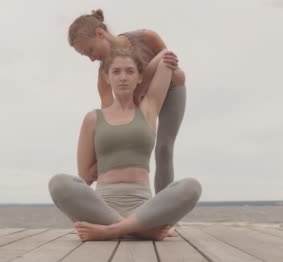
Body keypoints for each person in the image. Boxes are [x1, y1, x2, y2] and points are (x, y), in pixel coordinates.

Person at [48, 47, 201, 241]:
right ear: (107, 77)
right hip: (102, 207)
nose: (123, 77)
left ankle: (112, 230)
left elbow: (164, 60)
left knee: (192, 187)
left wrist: (170, 61)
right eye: (116, 71)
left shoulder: (148, 109)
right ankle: (139, 230)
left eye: (130, 71)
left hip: (145, 208)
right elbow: (84, 177)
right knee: (58, 183)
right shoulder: (93, 118)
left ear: (139, 77)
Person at [67, 9, 186, 194]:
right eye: (86, 56)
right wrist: (97, 165)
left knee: (163, 147)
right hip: (140, 101)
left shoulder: (147, 37)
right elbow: (110, 122)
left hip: (170, 90)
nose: (91, 59)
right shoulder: (104, 76)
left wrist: (162, 65)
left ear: (100, 34)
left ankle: (164, 214)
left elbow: (179, 78)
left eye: (90, 50)